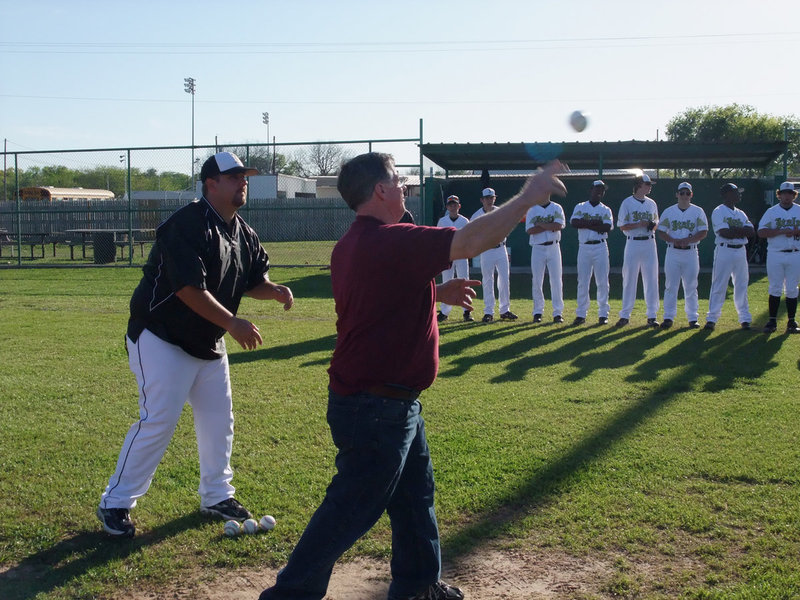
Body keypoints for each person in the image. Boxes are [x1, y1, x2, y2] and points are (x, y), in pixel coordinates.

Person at [258, 153, 566, 600]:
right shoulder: (390, 239)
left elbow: (379, 298)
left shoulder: (353, 243)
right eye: (399, 181)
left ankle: (418, 586)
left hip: (387, 403)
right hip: (376, 406)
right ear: (380, 192)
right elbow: (472, 240)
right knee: (352, 508)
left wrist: (434, 292)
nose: (405, 187)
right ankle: (289, 594)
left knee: (414, 497)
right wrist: (527, 198)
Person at [96, 152, 294, 537]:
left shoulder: (244, 232)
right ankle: (115, 503)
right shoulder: (185, 224)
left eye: (244, 176)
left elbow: (252, 280)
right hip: (160, 336)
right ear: (211, 185)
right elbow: (188, 289)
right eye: (233, 176)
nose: (243, 182)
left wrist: (274, 292)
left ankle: (217, 494)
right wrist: (233, 322)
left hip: (207, 339)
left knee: (219, 421)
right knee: (158, 421)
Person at [656, 182, 708, 329]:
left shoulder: (698, 211)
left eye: (687, 193)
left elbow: (703, 232)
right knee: (670, 286)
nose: (684, 196)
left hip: (691, 251)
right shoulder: (669, 211)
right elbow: (661, 231)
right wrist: (673, 240)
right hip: (673, 251)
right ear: (677, 194)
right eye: (682, 193)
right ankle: (668, 317)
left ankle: (692, 318)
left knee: (691, 286)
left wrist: (687, 240)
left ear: (691, 195)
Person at [705, 183, 754, 330]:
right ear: (726, 194)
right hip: (724, 250)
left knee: (742, 284)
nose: (739, 194)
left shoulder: (741, 213)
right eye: (735, 192)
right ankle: (712, 318)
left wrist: (735, 230)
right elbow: (724, 233)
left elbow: (751, 232)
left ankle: (744, 318)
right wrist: (741, 231)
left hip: (740, 251)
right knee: (719, 284)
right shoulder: (719, 211)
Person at [616, 174, 660, 327]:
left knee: (652, 279)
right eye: (647, 184)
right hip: (633, 242)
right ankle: (625, 315)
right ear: (639, 184)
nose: (650, 186)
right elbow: (622, 226)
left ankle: (652, 316)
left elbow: (656, 224)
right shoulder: (627, 203)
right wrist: (638, 224)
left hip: (649, 243)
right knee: (629, 279)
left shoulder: (652, 203)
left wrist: (650, 225)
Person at [756, 181, 800, 333]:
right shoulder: (772, 212)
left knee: (792, 288)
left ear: (794, 196)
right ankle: (772, 321)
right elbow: (761, 232)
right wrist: (782, 231)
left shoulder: (799, 210)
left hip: (795, 253)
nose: (787, 196)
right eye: (784, 193)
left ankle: (792, 321)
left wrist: (796, 232)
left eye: (790, 194)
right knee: (775, 287)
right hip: (776, 253)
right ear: (779, 194)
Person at [570, 180, 613, 325]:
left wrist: (586, 224)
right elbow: (574, 223)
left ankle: (603, 314)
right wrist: (595, 224)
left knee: (602, 281)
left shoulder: (605, 209)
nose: (599, 192)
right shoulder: (581, 206)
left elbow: (607, 227)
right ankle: (581, 314)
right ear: (591, 189)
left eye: (602, 190)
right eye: (597, 189)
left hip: (600, 247)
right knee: (583, 281)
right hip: (584, 247)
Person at [471, 188, 518, 322]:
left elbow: (508, 228)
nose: (489, 200)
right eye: (487, 198)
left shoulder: (501, 211)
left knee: (504, 279)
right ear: (482, 200)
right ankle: (488, 311)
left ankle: (505, 310)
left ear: (494, 198)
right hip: (486, 250)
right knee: (487, 280)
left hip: (501, 248)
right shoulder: (477, 215)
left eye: (491, 198)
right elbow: (473, 233)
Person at [525, 195, 565, 323]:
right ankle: (538, 312)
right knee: (537, 280)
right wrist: (549, 225)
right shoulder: (532, 209)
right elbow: (530, 230)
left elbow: (559, 225)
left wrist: (541, 224)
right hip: (538, 247)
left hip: (554, 246)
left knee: (556, 280)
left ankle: (558, 313)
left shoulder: (556, 207)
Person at [436, 195, 473, 322]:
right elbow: (439, 240)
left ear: (459, 206)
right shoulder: (442, 221)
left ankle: (467, 310)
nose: (453, 206)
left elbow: (469, 238)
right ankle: (445, 312)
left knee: (464, 280)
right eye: (450, 204)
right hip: (448, 255)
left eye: (455, 204)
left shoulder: (465, 221)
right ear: (447, 206)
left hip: (461, 254)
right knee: (447, 281)